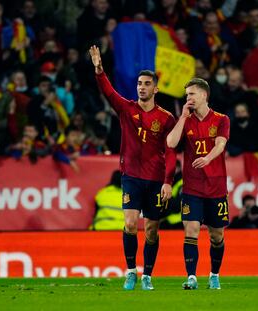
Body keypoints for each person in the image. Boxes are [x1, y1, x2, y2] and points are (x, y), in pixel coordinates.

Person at [89, 45, 176, 291]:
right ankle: (130, 272)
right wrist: (99, 70)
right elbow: (108, 92)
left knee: (151, 229)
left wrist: (168, 180)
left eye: (147, 83)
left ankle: (147, 275)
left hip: (156, 180)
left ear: (156, 88)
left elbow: (171, 151)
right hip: (131, 178)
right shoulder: (126, 109)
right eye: (139, 83)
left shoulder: (166, 118)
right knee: (129, 224)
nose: (142, 87)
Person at [166, 78, 230, 290]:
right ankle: (192, 277)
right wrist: (183, 117)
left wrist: (208, 158)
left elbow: (221, 144)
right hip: (192, 186)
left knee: (216, 235)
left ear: (204, 95)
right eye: (186, 96)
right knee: (191, 229)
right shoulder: (186, 120)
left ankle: (214, 274)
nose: (188, 98)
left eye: (191, 94)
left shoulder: (221, 119)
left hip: (216, 185)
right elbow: (171, 143)